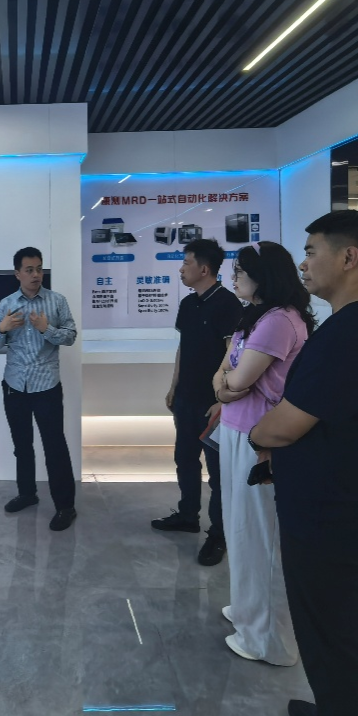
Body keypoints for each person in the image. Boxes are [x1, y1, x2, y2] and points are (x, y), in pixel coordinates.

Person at [247, 211, 358, 716]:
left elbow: (285, 425)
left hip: (331, 516)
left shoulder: (356, 333)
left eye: (312, 250)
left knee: (333, 639)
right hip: (347, 505)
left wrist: (258, 433)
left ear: (348, 257)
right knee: (347, 628)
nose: (304, 263)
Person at [212, 241, 314, 666]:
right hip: (238, 430)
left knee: (258, 536)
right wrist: (226, 388)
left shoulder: (278, 321)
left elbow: (237, 380)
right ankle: (246, 610)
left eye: (240, 271)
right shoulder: (254, 316)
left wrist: (226, 386)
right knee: (239, 527)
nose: (233, 277)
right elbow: (224, 375)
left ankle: (265, 638)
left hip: (260, 439)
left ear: (264, 276)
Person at [151, 237, 242, 566]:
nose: (181, 269)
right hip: (186, 399)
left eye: (186, 263)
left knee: (218, 474)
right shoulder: (188, 304)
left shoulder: (228, 304)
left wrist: (223, 400)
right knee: (185, 459)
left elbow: (234, 355)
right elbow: (184, 348)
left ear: (204, 269)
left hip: (213, 405)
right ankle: (188, 515)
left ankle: (218, 535)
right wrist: (173, 386)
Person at [0, 247, 79, 531]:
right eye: (29, 270)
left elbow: (70, 337)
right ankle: (27, 493)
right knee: (22, 445)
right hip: (15, 385)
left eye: (39, 269)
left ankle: (66, 506)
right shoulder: (6, 304)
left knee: (55, 447)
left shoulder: (56, 301)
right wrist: (2, 328)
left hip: (46, 386)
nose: (36, 275)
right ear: (17, 273)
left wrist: (46, 329)